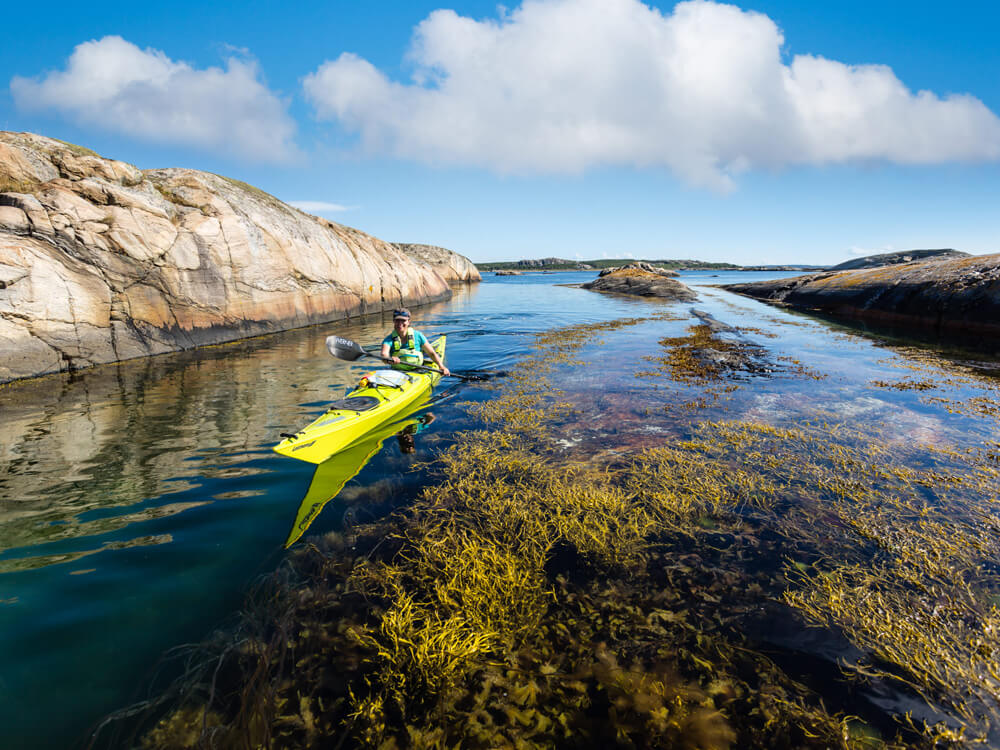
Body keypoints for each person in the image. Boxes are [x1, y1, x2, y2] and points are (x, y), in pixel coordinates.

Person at [380, 308, 450, 376]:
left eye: (403, 320)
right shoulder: (388, 339)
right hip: (397, 372)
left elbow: (431, 353)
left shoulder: (418, 335)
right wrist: (389, 359)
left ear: (408, 322)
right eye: (397, 320)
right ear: (393, 321)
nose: (400, 324)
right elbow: (384, 354)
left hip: (418, 371)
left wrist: (441, 366)